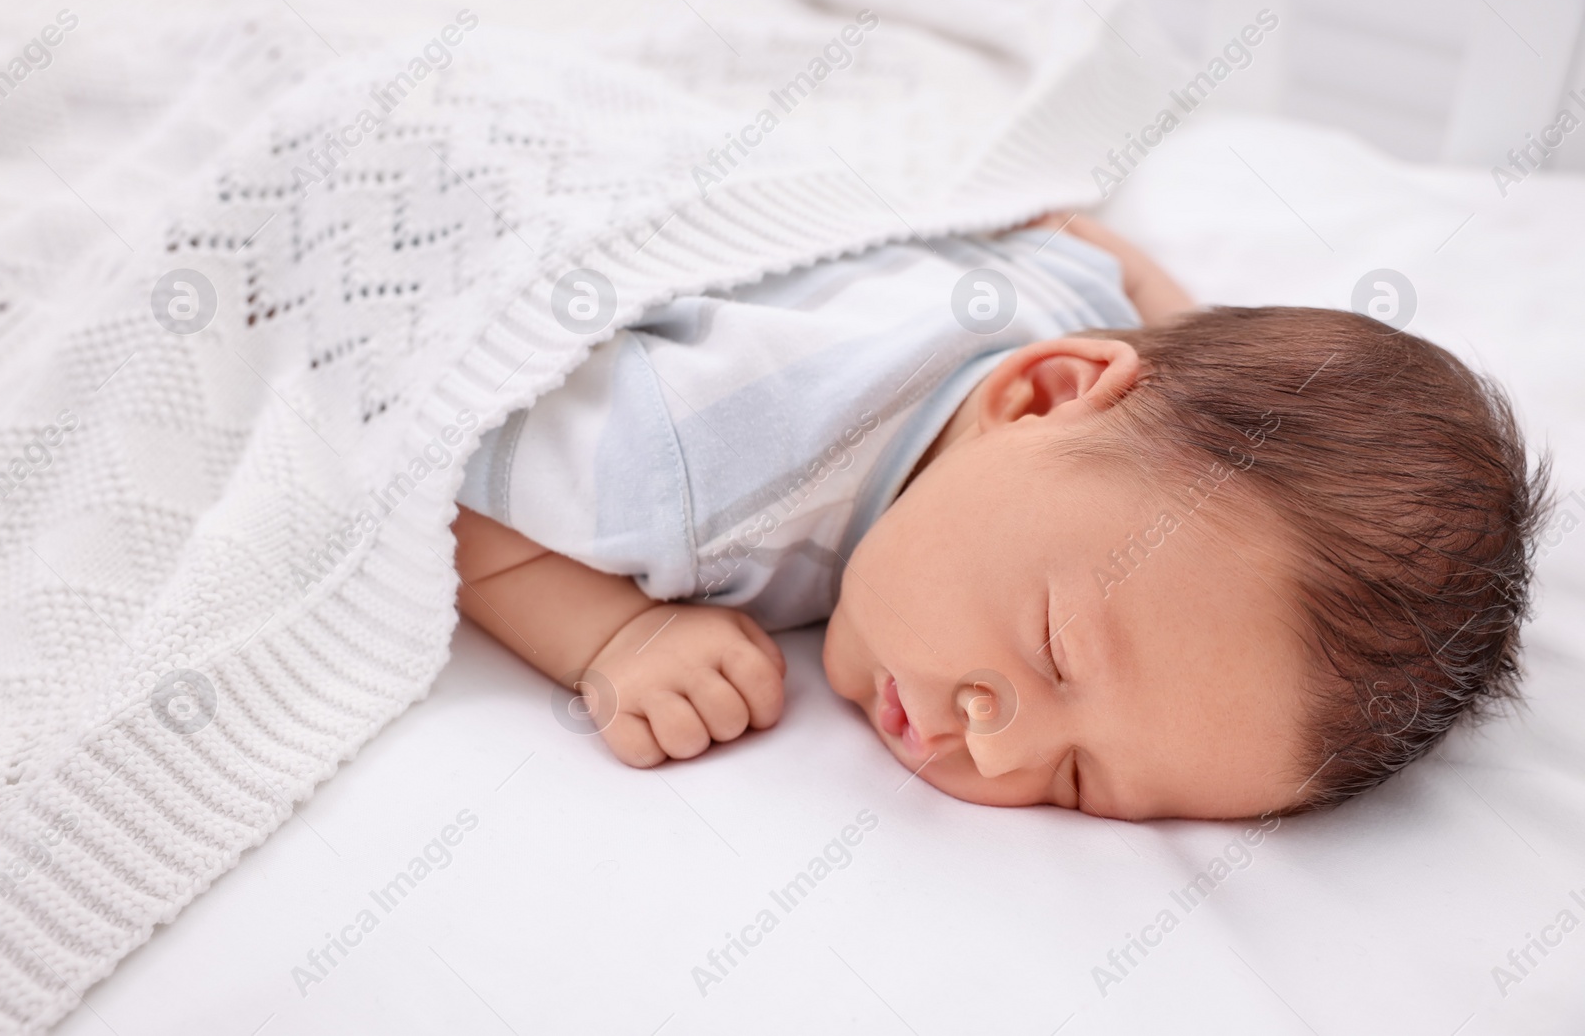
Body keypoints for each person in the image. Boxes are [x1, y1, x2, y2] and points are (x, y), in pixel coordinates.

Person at [451, 213, 1546, 820]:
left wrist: (1187, 332)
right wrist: (615, 632)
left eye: (1078, 781)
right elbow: (439, 456)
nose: (995, 738)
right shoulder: (695, 468)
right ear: (1046, 391)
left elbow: (1079, 237)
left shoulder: (1085, 356)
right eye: (1054, 651)